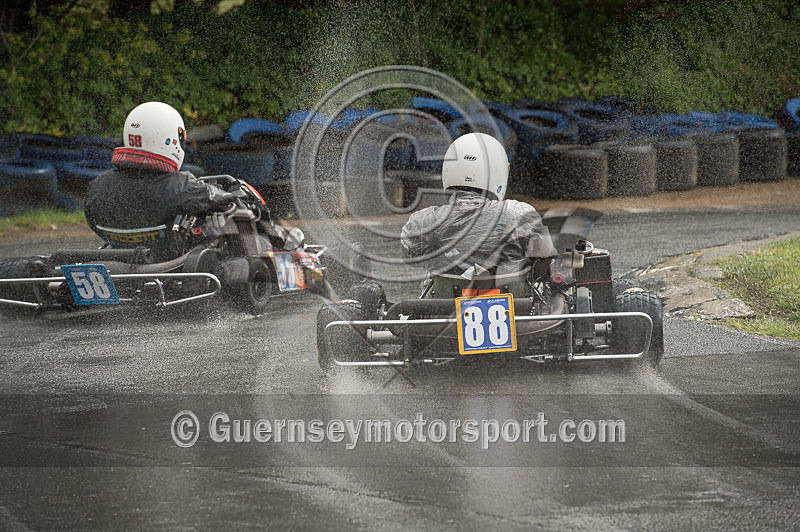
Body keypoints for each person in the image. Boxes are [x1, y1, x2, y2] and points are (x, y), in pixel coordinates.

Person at [84, 101, 244, 259]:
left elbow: (96, 226)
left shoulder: (98, 186)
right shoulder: (181, 187)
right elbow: (226, 198)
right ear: (169, 140)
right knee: (233, 258)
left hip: (123, 261)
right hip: (171, 266)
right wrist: (237, 192)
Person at [401, 132, 556, 275]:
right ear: (497, 170)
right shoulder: (518, 213)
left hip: (446, 295)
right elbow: (545, 262)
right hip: (509, 293)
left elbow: (410, 257)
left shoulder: (423, 221)